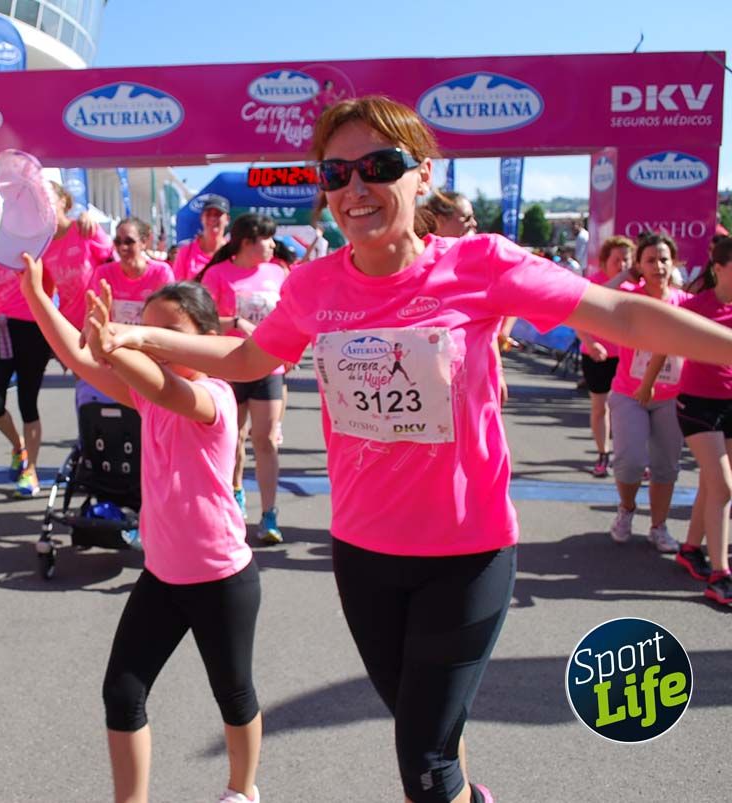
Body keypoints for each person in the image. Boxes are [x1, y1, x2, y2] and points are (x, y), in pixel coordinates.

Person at [93, 95, 732, 803]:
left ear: (421, 175)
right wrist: (143, 338)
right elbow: (246, 356)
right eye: (336, 174)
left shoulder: (481, 264)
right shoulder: (315, 285)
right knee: (426, 728)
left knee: (422, 760)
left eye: (378, 166)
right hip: (363, 554)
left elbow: (619, 312)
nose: (354, 188)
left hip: (467, 552)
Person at [19, 255, 262, 803]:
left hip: (222, 576)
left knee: (233, 693)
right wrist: (36, 295)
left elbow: (160, 386)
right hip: (162, 576)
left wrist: (115, 345)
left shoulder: (212, 398)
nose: (150, 344)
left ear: (206, 339)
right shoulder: (146, 396)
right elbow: (79, 358)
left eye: (166, 334)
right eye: (144, 331)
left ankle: (242, 792)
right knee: (122, 694)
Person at [197, 213, 289, 544]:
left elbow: (289, 315)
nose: (273, 245)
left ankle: (269, 514)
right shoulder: (218, 274)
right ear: (248, 242)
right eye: (267, 239)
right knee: (231, 440)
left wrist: (290, 350)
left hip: (269, 367)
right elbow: (200, 322)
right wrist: (236, 320)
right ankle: (232, 495)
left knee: (264, 440)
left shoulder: (277, 272)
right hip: (230, 366)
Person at [652, 236, 732, 604]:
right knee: (724, 487)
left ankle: (689, 549)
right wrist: (647, 385)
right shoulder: (696, 306)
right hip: (697, 405)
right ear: (718, 268)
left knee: (713, 486)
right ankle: (720, 575)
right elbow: (664, 343)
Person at [605, 233, 689, 553]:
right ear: (640, 265)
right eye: (650, 260)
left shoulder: (684, 301)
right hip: (630, 392)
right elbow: (598, 296)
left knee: (666, 465)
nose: (659, 266)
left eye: (664, 259)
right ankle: (626, 509)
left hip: (671, 396)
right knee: (630, 461)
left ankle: (659, 526)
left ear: (675, 263)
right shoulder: (631, 297)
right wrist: (627, 274)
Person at [0, 223, 55, 496]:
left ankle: (30, 470)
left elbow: (54, 281)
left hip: (33, 330)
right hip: (0, 328)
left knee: (27, 404)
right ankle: (18, 445)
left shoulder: (33, 245)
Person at [576, 236, 635, 477]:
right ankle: (603, 454)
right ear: (604, 262)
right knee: (600, 407)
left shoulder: (635, 289)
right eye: (616, 260)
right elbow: (579, 316)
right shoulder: (593, 284)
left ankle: (630, 457)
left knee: (629, 409)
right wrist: (590, 343)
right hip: (597, 355)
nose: (621, 265)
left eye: (626, 260)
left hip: (627, 357)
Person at [42, 180, 114, 331]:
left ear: (63, 201)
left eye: (47, 198)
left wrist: (88, 217)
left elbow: (112, 260)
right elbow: (46, 291)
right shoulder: (43, 246)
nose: (43, 204)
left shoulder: (84, 228)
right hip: (68, 326)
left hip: (98, 321)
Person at [90, 217, 175, 325]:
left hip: (149, 340)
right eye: (118, 242)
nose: (123, 247)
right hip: (116, 339)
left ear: (143, 242)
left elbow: (167, 314)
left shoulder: (161, 272)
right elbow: (97, 314)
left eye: (129, 242)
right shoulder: (103, 273)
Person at [173, 195, 230, 281]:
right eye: (208, 214)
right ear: (201, 218)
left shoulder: (233, 253)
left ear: (227, 220)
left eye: (218, 214)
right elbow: (177, 289)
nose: (212, 218)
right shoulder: (186, 253)